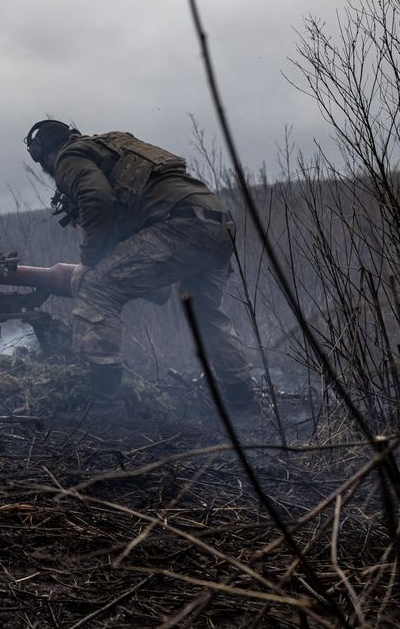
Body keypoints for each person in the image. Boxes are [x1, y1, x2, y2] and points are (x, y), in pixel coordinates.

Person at [24, 120, 257, 415]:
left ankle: (106, 407)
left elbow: (96, 197)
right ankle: (245, 406)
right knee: (207, 317)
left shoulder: (69, 158)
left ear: (44, 155)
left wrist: (89, 260)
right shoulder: (113, 144)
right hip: (217, 225)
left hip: (180, 225)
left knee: (96, 288)